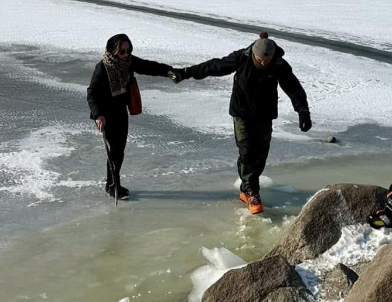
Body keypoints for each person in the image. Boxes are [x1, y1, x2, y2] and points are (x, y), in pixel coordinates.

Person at [170, 31, 310, 214]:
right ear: (254, 54)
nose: (262, 63)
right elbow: (214, 66)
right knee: (246, 152)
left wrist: (303, 111)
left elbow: (294, 88)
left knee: (261, 154)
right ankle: (252, 190)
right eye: (259, 60)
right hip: (242, 114)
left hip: (264, 115)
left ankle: (246, 189)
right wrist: (187, 72)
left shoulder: (278, 64)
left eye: (265, 61)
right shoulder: (242, 58)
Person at [87, 33, 175, 199]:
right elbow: (92, 93)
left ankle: (113, 183)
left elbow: (150, 67)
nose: (126, 55)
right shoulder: (102, 68)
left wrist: (169, 72)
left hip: (120, 110)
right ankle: (112, 185)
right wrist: (98, 115)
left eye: (128, 50)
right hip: (106, 114)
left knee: (119, 150)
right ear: (113, 52)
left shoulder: (128, 62)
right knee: (114, 151)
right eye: (122, 52)